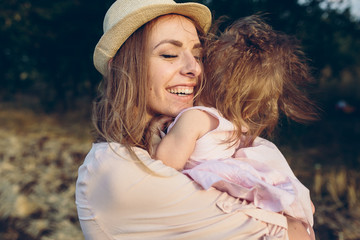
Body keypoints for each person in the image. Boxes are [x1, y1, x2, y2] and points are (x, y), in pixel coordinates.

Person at [75, 0, 314, 239]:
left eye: (198, 55)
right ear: (119, 66)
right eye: (169, 54)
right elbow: (296, 233)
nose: (195, 69)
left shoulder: (202, 131)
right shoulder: (115, 171)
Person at [149, 15, 317, 238]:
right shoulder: (233, 125)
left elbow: (164, 166)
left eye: (202, 60)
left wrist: (152, 134)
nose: (195, 70)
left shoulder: (195, 118)